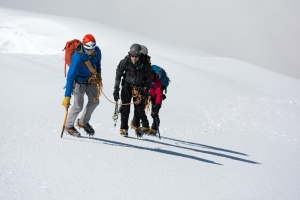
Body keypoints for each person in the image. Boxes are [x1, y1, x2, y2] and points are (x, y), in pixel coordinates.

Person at [62, 34, 102, 137]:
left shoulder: (97, 52)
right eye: (88, 49)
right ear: (84, 46)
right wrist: (67, 96)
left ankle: (83, 122)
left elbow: (98, 64)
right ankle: (69, 126)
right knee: (78, 106)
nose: (90, 51)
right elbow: (70, 77)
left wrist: (98, 75)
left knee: (95, 101)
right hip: (79, 81)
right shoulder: (77, 57)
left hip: (90, 79)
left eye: (92, 49)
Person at [113, 43, 152, 137]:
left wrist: (146, 90)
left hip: (139, 89)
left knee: (139, 108)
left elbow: (149, 78)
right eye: (132, 56)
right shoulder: (124, 62)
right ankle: (123, 128)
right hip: (126, 87)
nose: (134, 58)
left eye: (136, 56)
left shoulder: (145, 64)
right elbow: (118, 74)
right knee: (125, 108)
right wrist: (116, 89)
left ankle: (136, 125)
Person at [140, 45, 163, 136]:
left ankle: (154, 129)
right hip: (147, 94)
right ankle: (146, 127)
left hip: (154, 97)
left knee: (154, 113)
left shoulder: (156, 81)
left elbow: (159, 94)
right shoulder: (146, 77)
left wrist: (157, 105)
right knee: (140, 109)